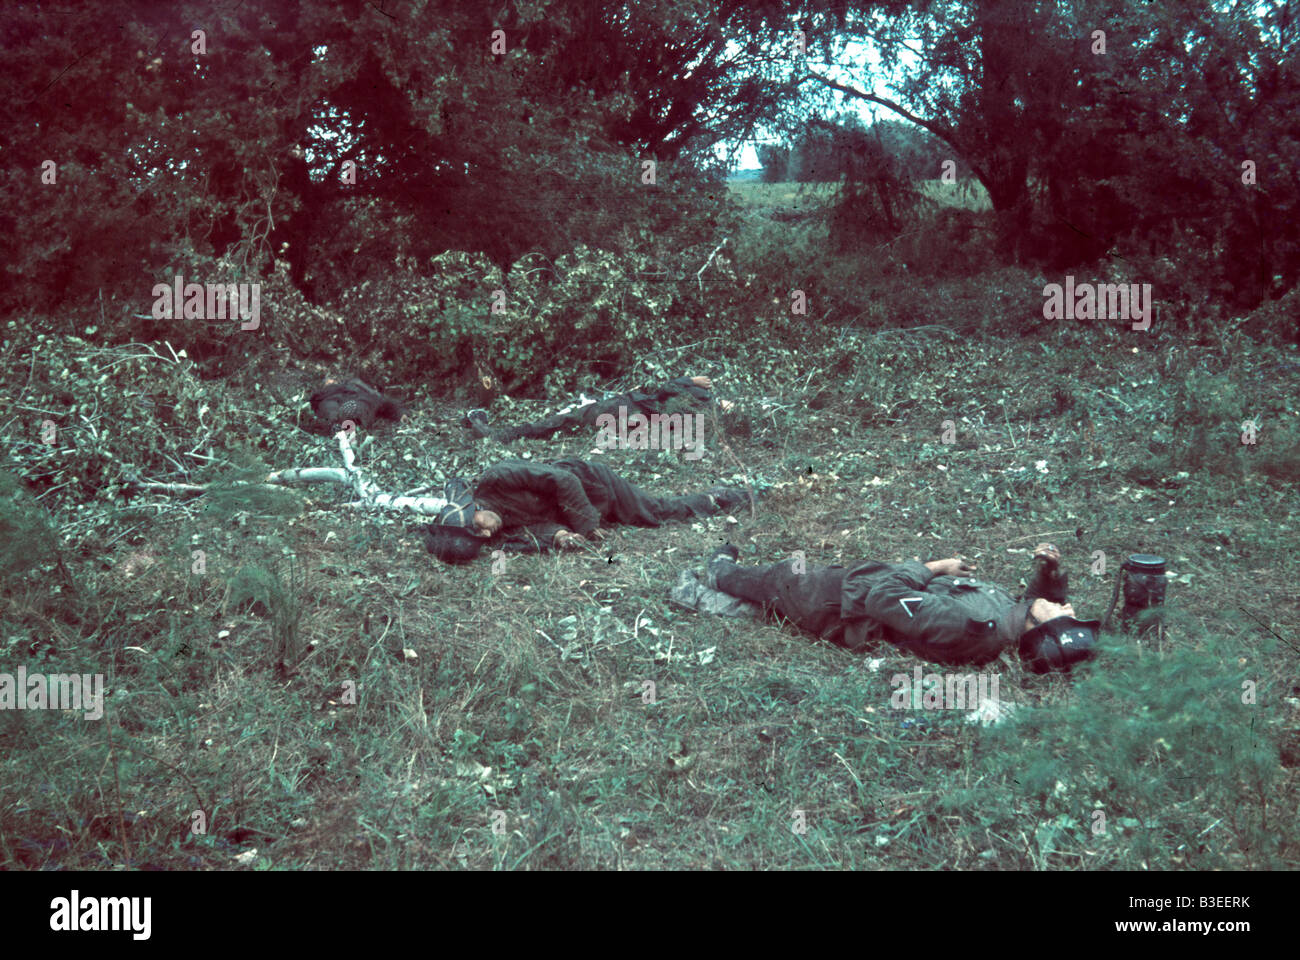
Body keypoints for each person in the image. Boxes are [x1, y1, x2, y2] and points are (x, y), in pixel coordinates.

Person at [695, 542, 1098, 672]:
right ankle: (738, 578)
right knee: (780, 583)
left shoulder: (968, 623)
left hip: (839, 603)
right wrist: (1050, 575)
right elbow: (1034, 607)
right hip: (856, 587)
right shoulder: (1008, 621)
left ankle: (719, 572)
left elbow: (882, 598)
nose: (1068, 606)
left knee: (778, 580)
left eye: (1065, 616)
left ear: (1039, 631)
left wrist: (934, 566)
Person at [418, 458, 751, 563]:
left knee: (653, 513)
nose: (488, 533)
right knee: (645, 514)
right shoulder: (498, 534)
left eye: (479, 525)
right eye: (482, 537)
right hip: (578, 514)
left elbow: (561, 479)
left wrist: (588, 526)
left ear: (471, 507)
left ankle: (718, 498)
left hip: (588, 481)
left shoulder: (497, 478)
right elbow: (532, 533)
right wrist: (561, 536)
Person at [463, 375, 733, 442]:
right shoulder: (706, 410)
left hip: (628, 410)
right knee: (569, 421)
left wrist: (688, 381)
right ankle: (498, 432)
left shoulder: (703, 404)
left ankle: (494, 434)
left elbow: (664, 393)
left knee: (567, 420)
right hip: (631, 415)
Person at [309, 377, 406, 430]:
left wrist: (400, 414)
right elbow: (329, 407)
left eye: (332, 379)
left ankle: (347, 423)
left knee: (376, 403)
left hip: (367, 405)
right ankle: (346, 424)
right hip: (354, 408)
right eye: (328, 380)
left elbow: (380, 398)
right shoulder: (324, 396)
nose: (332, 380)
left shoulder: (352, 383)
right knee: (346, 410)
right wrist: (335, 419)